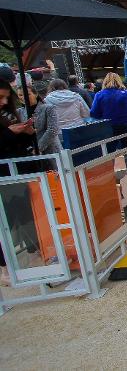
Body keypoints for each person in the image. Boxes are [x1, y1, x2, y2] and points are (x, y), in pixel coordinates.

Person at [0, 80, 36, 285]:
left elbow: (15, 143)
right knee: (7, 222)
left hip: (17, 174)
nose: (5, 102)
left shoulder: (9, 115)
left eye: (7, 97)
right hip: (5, 176)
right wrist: (9, 133)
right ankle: (4, 268)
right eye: (0, 97)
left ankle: (33, 254)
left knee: (24, 215)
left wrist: (26, 134)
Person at [90, 73, 127, 159]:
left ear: (105, 82)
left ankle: (111, 170)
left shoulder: (99, 95)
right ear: (119, 81)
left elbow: (93, 113)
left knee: (109, 153)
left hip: (108, 127)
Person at [33, 84, 61, 155]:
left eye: (27, 94)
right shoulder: (20, 111)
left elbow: (52, 130)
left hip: (50, 149)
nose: (23, 97)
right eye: (20, 95)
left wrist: (38, 148)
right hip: (32, 151)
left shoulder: (48, 107)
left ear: (36, 94)